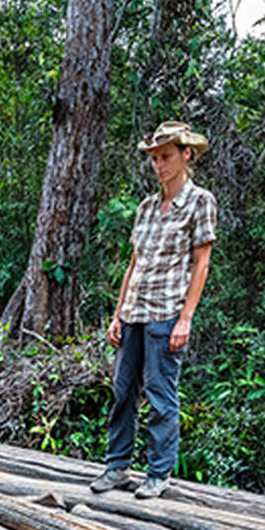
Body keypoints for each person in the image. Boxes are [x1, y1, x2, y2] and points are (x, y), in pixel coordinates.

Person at [91, 121, 216, 499]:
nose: (159, 165)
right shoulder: (146, 207)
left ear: (186, 155)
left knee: (161, 395)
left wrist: (186, 318)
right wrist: (117, 314)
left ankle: (158, 474)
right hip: (134, 312)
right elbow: (134, 264)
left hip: (166, 313)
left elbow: (202, 263)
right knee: (122, 391)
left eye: (166, 157)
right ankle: (117, 467)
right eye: (154, 159)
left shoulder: (199, 202)